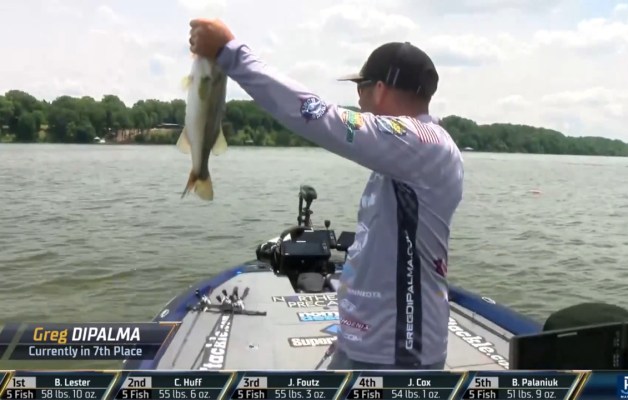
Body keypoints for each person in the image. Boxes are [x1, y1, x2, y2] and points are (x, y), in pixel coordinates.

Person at [189, 19, 464, 370]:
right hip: (369, 345)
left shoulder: (421, 144)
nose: (358, 98)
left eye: (361, 87)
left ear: (380, 89)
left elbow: (316, 115)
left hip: (396, 356)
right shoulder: (408, 154)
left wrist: (231, 53)